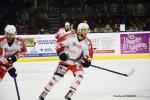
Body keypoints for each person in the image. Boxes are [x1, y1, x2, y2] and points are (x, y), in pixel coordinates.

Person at [38, 23, 93, 100]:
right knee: (56, 78)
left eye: (87, 30)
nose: (86, 32)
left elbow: (88, 55)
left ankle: (70, 94)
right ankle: (43, 94)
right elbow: (58, 44)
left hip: (76, 63)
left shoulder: (88, 43)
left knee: (80, 75)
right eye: (84, 30)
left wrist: (87, 61)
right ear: (79, 30)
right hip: (65, 61)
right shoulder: (70, 36)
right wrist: (60, 53)